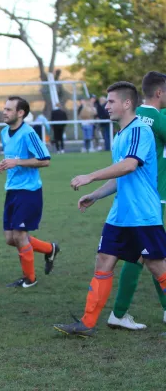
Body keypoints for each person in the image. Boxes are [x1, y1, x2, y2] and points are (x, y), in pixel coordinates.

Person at [54, 81, 166, 337]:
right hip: (120, 214)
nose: (105, 106)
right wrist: (95, 195)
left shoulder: (139, 130)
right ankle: (87, 323)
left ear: (127, 103)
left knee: (158, 267)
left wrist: (90, 176)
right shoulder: (119, 135)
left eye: (111, 101)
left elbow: (129, 165)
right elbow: (120, 177)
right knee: (103, 261)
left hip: (142, 215)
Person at [107, 72, 166, 330]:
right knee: (153, 256)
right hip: (156, 196)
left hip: (135, 197)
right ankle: (120, 312)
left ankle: (119, 313)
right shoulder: (154, 118)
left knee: (140, 255)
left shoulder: (133, 121)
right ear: (159, 92)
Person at [0, 97, 59, 288]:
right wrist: (5, 164)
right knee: (11, 238)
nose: (4, 112)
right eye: (4, 108)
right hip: (12, 190)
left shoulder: (28, 133)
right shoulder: (4, 133)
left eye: (8, 109)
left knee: (20, 236)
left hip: (29, 191)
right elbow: (12, 158)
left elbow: (45, 159)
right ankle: (50, 249)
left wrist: (17, 162)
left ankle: (29, 279)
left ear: (20, 113)